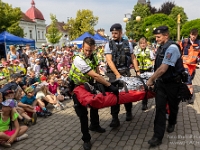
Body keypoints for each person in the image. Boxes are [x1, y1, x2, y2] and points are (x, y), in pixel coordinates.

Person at [69, 37, 118, 150]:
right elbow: (94, 75)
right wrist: (108, 85)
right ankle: (86, 139)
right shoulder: (78, 59)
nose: (88, 52)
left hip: (89, 85)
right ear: (82, 47)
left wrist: (99, 85)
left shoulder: (94, 57)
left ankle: (95, 125)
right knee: (83, 114)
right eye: (86, 50)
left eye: (90, 50)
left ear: (94, 48)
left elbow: (97, 73)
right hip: (77, 87)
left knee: (95, 105)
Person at [146, 26, 184, 146]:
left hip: (173, 83)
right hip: (162, 83)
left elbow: (162, 69)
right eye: (156, 37)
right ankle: (157, 136)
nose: (156, 39)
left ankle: (172, 122)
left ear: (166, 35)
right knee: (160, 109)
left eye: (158, 37)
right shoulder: (162, 47)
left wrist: (151, 79)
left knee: (173, 107)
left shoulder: (172, 48)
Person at [104, 23, 140, 128]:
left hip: (125, 71)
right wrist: (117, 74)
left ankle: (129, 112)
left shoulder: (128, 44)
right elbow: (109, 61)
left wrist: (137, 71)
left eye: (116, 33)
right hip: (113, 74)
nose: (113, 35)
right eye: (112, 33)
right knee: (114, 95)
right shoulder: (108, 45)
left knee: (127, 93)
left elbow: (133, 58)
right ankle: (115, 118)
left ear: (121, 32)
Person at [180, 28, 200, 104]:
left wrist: (198, 60)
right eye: (192, 34)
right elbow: (179, 50)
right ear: (190, 34)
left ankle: (184, 92)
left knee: (189, 80)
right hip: (185, 64)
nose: (193, 36)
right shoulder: (184, 42)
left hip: (193, 66)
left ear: (197, 35)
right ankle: (190, 96)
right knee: (188, 80)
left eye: (195, 35)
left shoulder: (198, 43)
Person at [134, 37, 155, 110]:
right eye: (141, 43)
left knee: (150, 86)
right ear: (139, 44)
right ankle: (144, 103)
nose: (143, 45)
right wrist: (137, 71)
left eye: (144, 43)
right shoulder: (137, 52)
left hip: (148, 70)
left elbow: (153, 60)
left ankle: (152, 97)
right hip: (141, 70)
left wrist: (153, 70)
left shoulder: (149, 51)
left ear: (146, 44)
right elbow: (135, 61)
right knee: (143, 87)